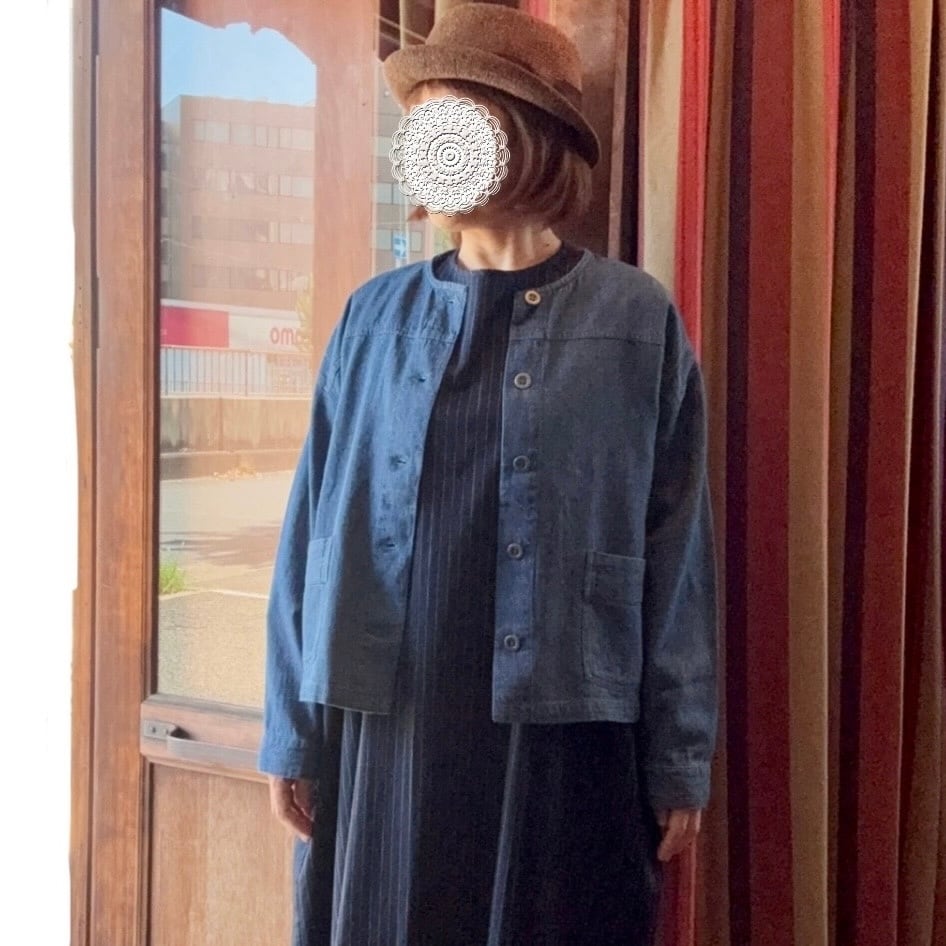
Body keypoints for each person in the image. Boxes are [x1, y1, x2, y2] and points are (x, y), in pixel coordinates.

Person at [258, 5, 719, 945]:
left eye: (452, 119)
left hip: (566, 718)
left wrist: (679, 754)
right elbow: (311, 533)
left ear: (527, 138)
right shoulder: (372, 318)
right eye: (420, 124)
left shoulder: (635, 321)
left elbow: (677, 556)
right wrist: (290, 728)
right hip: (391, 717)